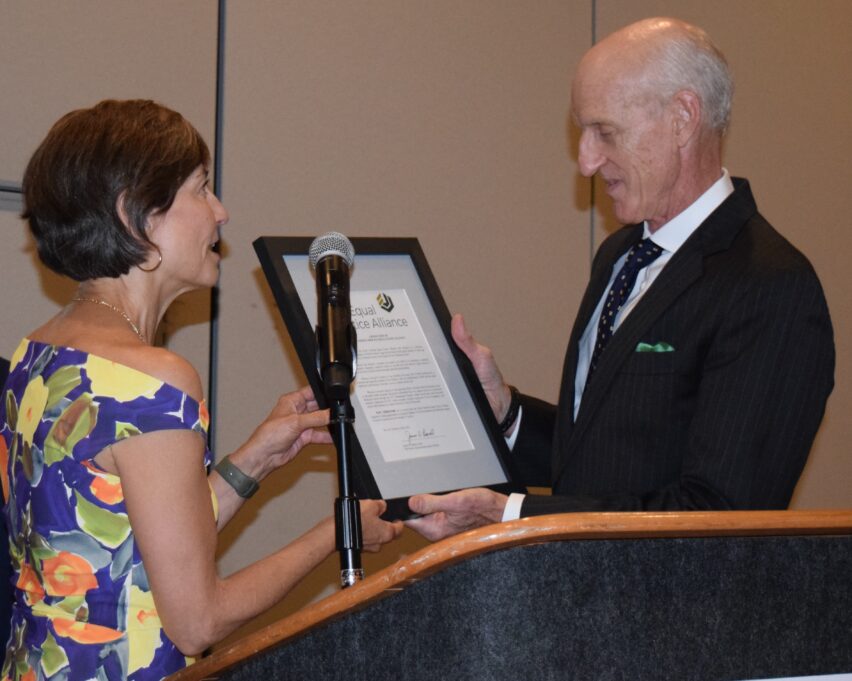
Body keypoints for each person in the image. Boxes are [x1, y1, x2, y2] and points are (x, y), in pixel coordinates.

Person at [0, 99, 403, 681]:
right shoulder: (154, 379)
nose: (221, 212)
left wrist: (254, 459)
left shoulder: (39, 352)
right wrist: (342, 534)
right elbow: (199, 620)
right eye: (201, 189)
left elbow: (125, 542)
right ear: (135, 213)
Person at [406, 17, 834, 540]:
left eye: (605, 132)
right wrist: (507, 413)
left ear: (682, 118)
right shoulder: (620, 254)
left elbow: (721, 515)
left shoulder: (769, 285)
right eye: (581, 131)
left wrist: (513, 518)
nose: (585, 161)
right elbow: (604, 459)